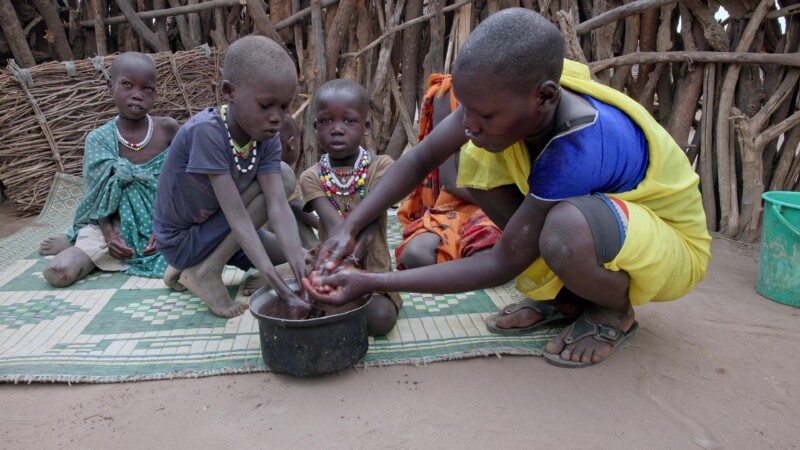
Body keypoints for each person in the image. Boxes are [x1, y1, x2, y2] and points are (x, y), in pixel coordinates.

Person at [304, 8, 711, 367]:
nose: (468, 124)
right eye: (466, 108)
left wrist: (371, 282)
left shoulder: (578, 145)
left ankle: (611, 312)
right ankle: (567, 296)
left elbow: (502, 262)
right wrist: (348, 226)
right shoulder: (510, 91)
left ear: (545, 98)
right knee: (478, 164)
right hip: (605, 225)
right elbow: (420, 158)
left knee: (563, 230)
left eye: (483, 115)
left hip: (670, 245)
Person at [154, 35, 310, 319]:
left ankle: (197, 267)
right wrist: (278, 285)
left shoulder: (265, 136)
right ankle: (207, 271)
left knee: (307, 261)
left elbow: (278, 206)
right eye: (266, 106)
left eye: (284, 107)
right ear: (229, 91)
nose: (277, 118)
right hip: (185, 240)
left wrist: (299, 273)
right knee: (285, 177)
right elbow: (238, 216)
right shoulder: (207, 132)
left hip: (222, 235)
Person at [39, 52, 179, 287]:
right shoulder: (99, 138)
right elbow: (98, 196)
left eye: (148, 89)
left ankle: (80, 242)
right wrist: (110, 236)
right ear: (110, 87)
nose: (137, 95)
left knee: (202, 250)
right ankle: (79, 240)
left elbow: (183, 183)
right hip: (113, 224)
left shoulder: (168, 129)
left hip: (166, 222)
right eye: (127, 85)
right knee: (60, 271)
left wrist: (165, 226)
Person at [298, 79, 401, 336]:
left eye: (349, 121)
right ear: (315, 127)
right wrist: (339, 269)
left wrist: (354, 263)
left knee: (379, 320)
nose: (337, 129)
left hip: (373, 270)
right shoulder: (312, 176)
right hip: (330, 266)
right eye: (326, 121)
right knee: (302, 308)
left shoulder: (381, 166)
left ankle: (342, 310)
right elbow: (337, 230)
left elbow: (371, 221)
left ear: (365, 126)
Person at [395, 74, 502, 269]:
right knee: (415, 255)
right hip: (460, 203)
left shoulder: (523, 95)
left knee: (486, 254)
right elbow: (451, 181)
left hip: (511, 210)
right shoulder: (448, 93)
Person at [277, 115, 319, 250]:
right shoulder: (281, 173)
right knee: (291, 210)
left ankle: (312, 246)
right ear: (291, 143)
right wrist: (328, 226)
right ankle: (312, 248)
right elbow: (296, 205)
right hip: (271, 236)